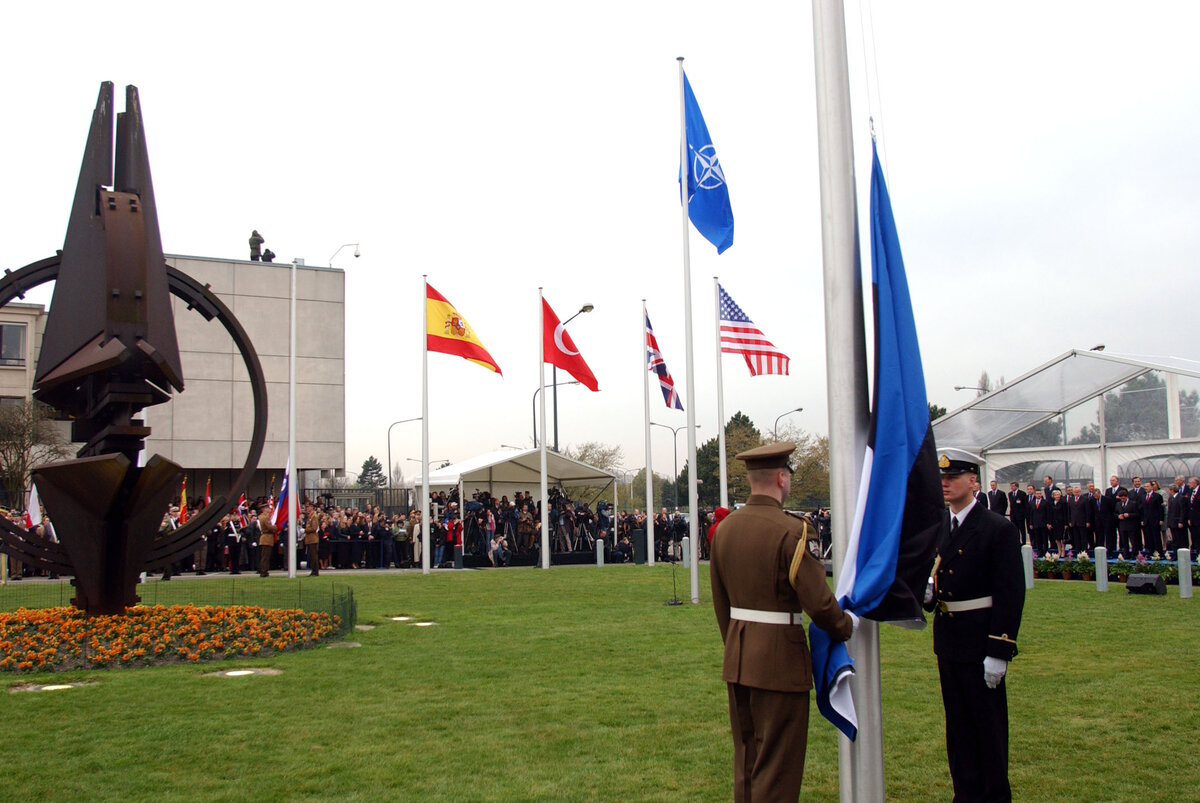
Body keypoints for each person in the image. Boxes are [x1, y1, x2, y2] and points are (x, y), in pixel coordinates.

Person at [709, 442, 857, 802]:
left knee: (747, 762)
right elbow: (820, 604)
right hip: (779, 662)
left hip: (738, 656)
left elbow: (720, 602)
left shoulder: (725, 530)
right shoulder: (791, 531)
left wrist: (736, 643)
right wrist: (846, 625)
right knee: (777, 770)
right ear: (781, 478)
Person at [924, 448, 1024, 803]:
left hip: (981, 641)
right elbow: (942, 580)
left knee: (989, 730)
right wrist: (927, 594)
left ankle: (995, 796)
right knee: (959, 730)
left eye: (953, 478)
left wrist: (999, 650)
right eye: (943, 479)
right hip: (949, 641)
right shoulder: (943, 527)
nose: (946, 484)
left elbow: (1010, 593)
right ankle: (965, 795)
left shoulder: (997, 528)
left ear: (973, 481)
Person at [257, 509, 277, 577]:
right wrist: (276, 527)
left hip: (264, 538)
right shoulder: (265, 518)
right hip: (266, 539)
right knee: (265, 557)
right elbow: (269, 527)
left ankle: (264, 570)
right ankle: (263, 571)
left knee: (264, 556)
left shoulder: (261, 517)